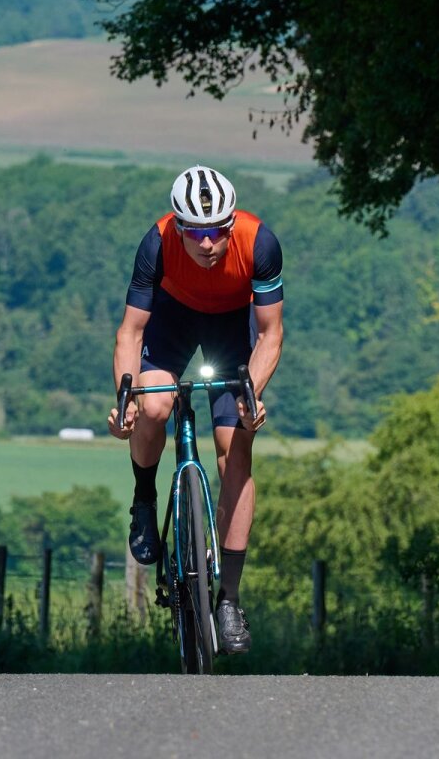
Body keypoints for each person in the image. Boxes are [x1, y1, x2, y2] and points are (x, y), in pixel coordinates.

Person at [109, 164, 283, 655]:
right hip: (174, 320)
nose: (207, 243)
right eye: (196, 232)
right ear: (179, 226)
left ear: (232, 223)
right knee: (154, 406)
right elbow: (131, 333)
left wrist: (252, 394)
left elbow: (270, 334)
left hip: (231, 327)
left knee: (236, 448)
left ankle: (229, 599)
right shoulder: (157, 243)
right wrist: (124, 399)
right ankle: (144, 500)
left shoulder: (260, 242)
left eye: (218, 230)